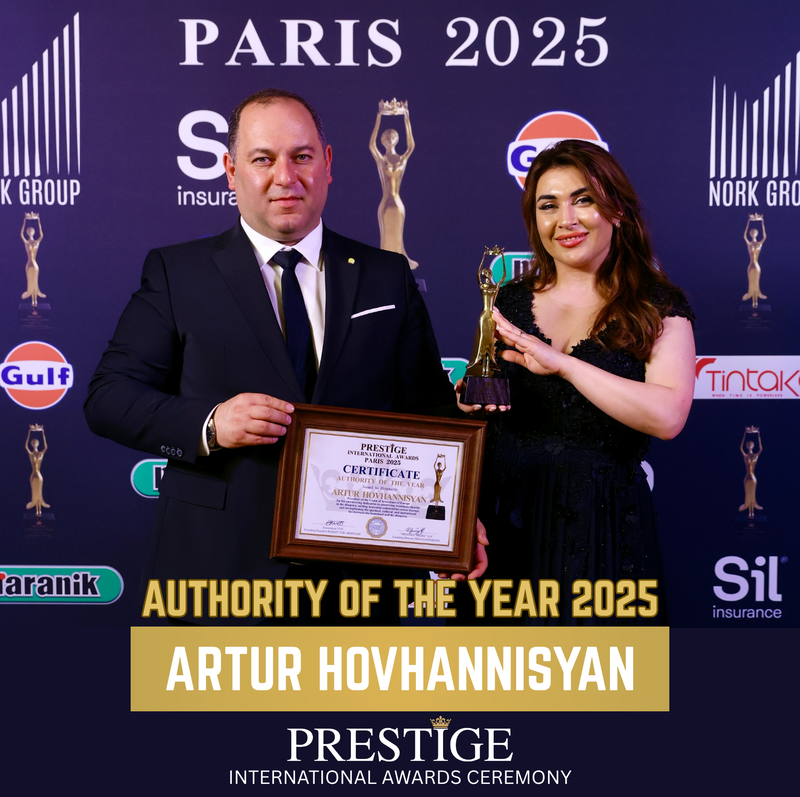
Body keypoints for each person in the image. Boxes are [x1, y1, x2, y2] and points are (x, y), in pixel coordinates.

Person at [84, 88, 484, 623]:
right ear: (230, 170)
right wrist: (212, 423)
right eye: (262, 159)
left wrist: (454, 520)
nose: (285, 177)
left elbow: (429, 413)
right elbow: (108, 398)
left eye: (301, 156)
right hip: (217, 571)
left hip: (358, 579)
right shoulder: (178, 273)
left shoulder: (386, 275)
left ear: (328, 164)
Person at [455, 139, 695, 625]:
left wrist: (563, 364)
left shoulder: (657, 306)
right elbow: (481, 412)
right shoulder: (507, 301)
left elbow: (668, 416)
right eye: (548, 205)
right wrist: (464, 404)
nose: (565, 219)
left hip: (603, 533)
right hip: (504, 531)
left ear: (617, 211)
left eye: (582, 200)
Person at [369, 100, 417, 268]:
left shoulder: (402, 159)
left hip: (397, 204)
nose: (390, 139)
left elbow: (411, 145)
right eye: (387, 137)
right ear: (383, 141)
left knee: (397, 235)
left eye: (392, 137)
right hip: (385, 204)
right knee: (386, 237)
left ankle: (399, 264)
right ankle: (386, 266)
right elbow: (371, 144)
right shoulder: (381, 159)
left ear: (396, 140)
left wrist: (406, 117)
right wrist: (379, 117)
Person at [21, 212, 46, 307]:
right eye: (29, 231)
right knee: (30, 282)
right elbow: (21, 234)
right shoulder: (26, 242)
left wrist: (38, 221)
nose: (30, 232)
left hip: (34, 264)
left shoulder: (36, 242)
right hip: (29, 264)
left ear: (34, 232)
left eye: (31, 231)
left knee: (35, 282)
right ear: (27, 233)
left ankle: (35, 300)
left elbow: (41, 235)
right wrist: (25, 220)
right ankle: (32, 299)